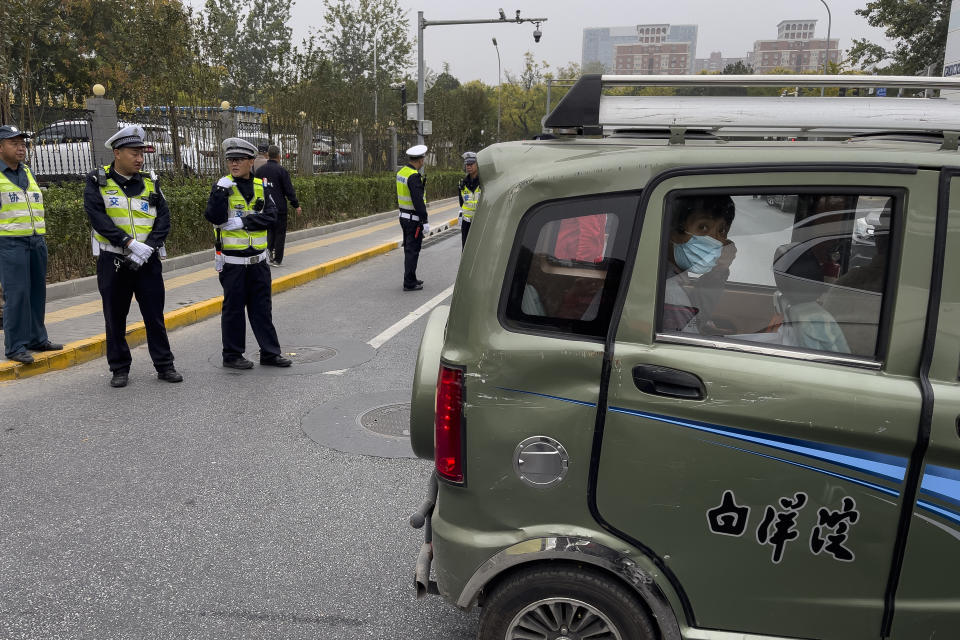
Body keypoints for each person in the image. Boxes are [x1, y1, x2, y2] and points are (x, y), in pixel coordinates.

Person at [83, 126, 183, 387]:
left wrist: (149, 246)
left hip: (147, 261)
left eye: (142, 153)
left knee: (154, 316)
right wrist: (127, 242)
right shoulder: (98, 181)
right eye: (133, 153)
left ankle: (164, 365)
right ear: (117, 153)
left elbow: (163, 218)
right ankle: (119, 368)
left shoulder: (151, 181)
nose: (139, 159)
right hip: (114, 260)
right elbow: (97, 218)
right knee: (115, 317)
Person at [204, 137, 291, 370]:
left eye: (239, 159)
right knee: (233, 310)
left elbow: (272, 216)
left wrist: (243, 221)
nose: (234, 164)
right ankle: (232, 355)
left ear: (251, 161)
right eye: (231, 160)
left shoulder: (262, 186)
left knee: (262, 308)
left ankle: (270, 353)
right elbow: (214, 217)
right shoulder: (222, 186)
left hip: (258, 261)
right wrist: (220, 193)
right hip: (233, 262)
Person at [0, 124, 62, 364]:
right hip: (10, 242)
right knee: (17, 295)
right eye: (14, 143)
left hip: (36, 240)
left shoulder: (27, 171)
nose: (21, 148)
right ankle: (15, 346)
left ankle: (37, 338)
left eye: (23, 144)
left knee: (37, 292)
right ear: (1, 147)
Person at [662, 195, 737, 334]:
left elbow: (694, 318)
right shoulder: (669, 290)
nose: (715, 240)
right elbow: (688, 335)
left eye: (721, 231)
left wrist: (718, 271)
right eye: (703, 227)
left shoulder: (675, 277)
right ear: (674, 232)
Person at [255, 144, 301, 266]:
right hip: (279, 208)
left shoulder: (260, 171)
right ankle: (277, 259)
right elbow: (288, 190)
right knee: (280, 233)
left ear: (268, 155)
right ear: (279, 156)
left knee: (269, 232)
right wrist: (296, 205)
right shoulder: (281, 171)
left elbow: (255, 188)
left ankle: (268, 256)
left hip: (265, 208)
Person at [396, 144, 430, 291]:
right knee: (413, 250)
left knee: (408, 249)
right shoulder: (414, 176)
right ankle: (409, 282)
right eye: (423, 158)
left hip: (404, 217)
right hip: (413, 219)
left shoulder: (402, 172)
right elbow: (418, 201)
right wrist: (425, 220)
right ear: (420, 160)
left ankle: (412, 277)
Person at [458, 151, 480, 247]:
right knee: (466, 249)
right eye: (467, 164)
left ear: (477, 165)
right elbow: (461, 203)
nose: (468, 166)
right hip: (466, 223)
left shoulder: (483, 183)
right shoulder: (462, 184)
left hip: (480, 222)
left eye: (471, 164)